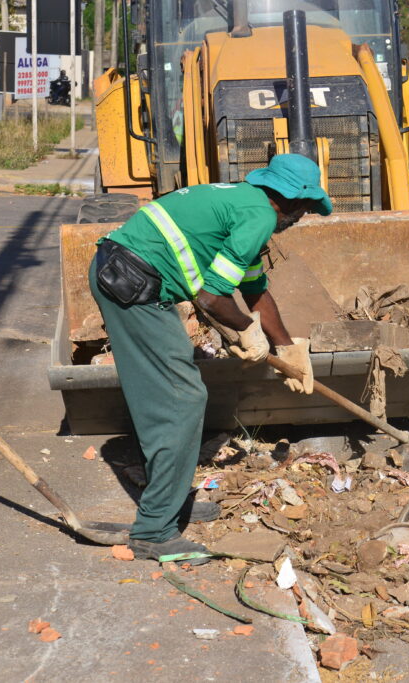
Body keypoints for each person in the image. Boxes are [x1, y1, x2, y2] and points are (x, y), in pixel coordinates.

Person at [89, 154, 332, 561]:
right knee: (180, 401)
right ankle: (155, 533)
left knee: (170, 400)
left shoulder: (245, 203)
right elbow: (212, 299)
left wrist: (286, 347)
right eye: (306, 208)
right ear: (290, 201)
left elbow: (254, 288)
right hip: (131, 284)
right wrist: (245, 330)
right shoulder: (259, 217)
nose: (304, 216)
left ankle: (167, 505)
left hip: (129, 274)